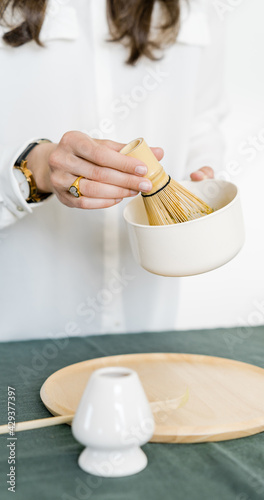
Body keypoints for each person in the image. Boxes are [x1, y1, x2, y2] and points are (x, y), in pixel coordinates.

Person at [0, 0, 225, 341]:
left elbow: (202, 118)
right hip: (19, 339)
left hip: (148, 327)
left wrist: (202, 174)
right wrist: (34, 171)